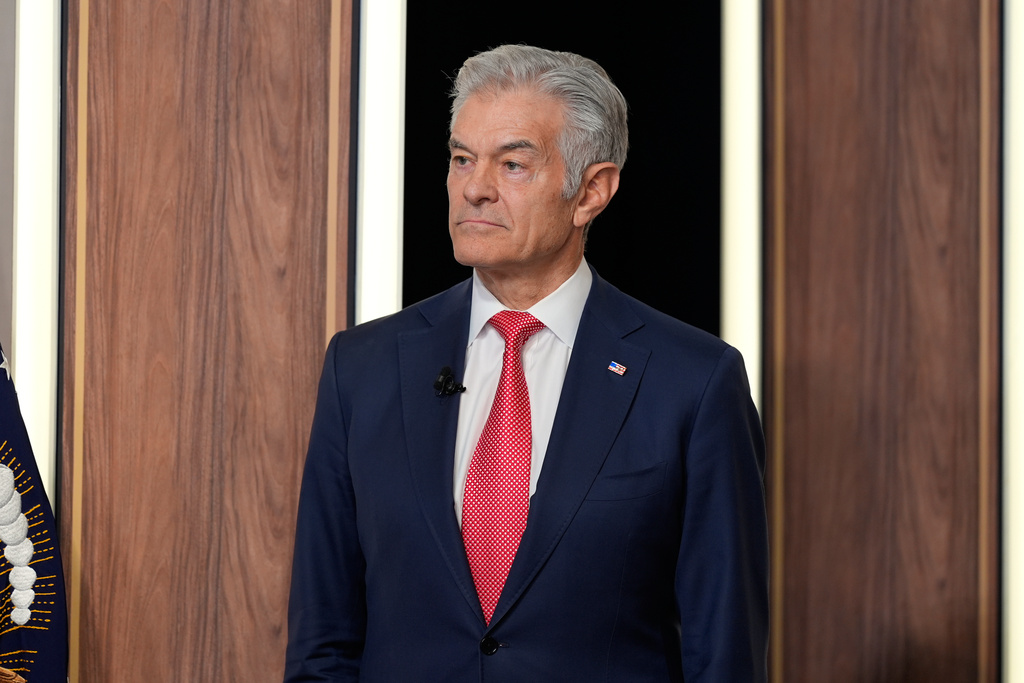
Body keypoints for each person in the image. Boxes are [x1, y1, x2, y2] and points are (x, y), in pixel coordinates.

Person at [284, 44, 768, 682]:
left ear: (591, 191)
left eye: (512, 164)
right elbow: (323, 642)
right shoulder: (361, 369)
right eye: (461, 159)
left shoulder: (694, 382)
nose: (474, 188)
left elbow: (725, 652)